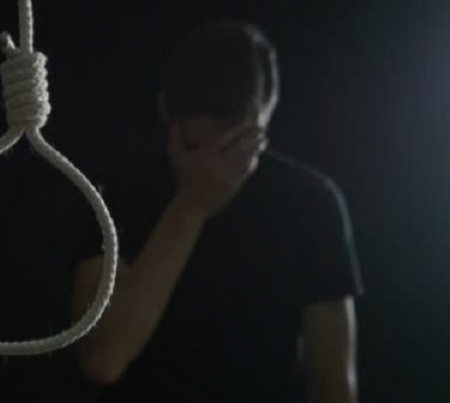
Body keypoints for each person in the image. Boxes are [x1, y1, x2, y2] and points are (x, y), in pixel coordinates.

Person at [69, 21, 364, 403]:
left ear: (265, 119)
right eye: (195, 147)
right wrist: (191, 205)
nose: (213, 169)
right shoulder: (111, 196)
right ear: (166, 112)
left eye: (234, 149)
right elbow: (103, 360)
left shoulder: (311, 203)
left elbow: (334, 386)